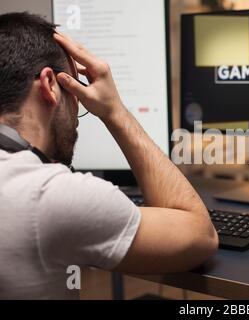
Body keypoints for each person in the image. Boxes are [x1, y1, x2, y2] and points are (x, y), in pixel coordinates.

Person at [0, 12, 218, 300]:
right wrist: (114, 110)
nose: (77, 115)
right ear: (51, 85)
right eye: (75, 92)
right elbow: (201, 236)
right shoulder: (51, 194)